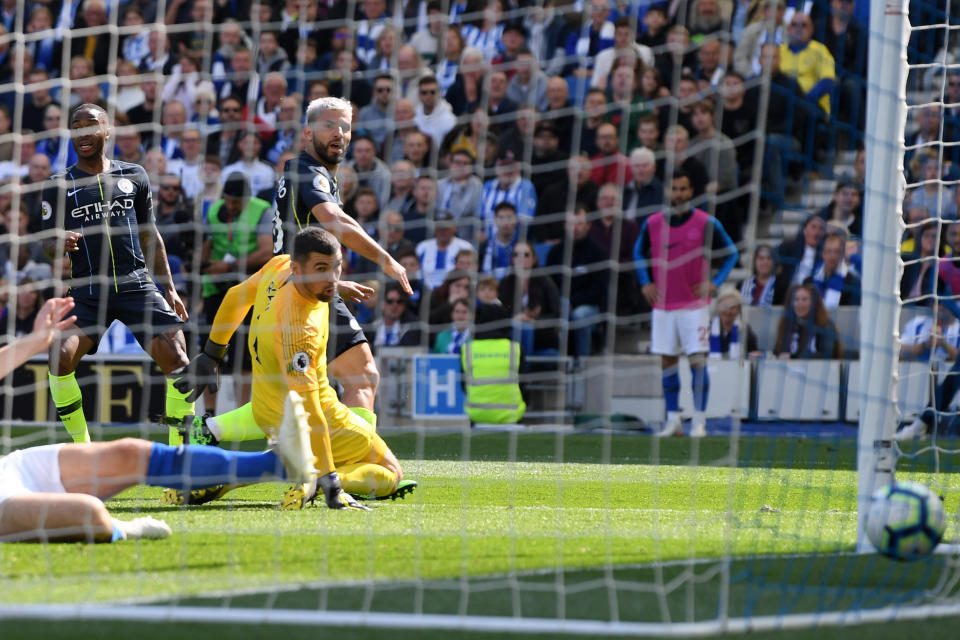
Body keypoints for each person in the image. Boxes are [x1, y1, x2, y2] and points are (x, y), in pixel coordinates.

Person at [0, 297, 317, 542]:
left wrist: (37, 339)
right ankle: (124, 530)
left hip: (10, 467)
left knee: (130, 452)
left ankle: (281, 464)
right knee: (90, 513)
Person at [173, 227, 413, 509]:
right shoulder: (300, 329)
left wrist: (212, 354)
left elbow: (236, 296)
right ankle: (317, 482)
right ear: (298, 269)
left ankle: (226, 474)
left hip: (265, 411)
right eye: (321, 269)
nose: (331, 279)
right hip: (316, 419)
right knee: (391, 472)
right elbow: (310, 411)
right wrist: (331, 482)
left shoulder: (280, 265)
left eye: (336, 268)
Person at [40, 104, 192, 446]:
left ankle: (180, 452)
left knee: (179, 360)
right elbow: (47, 244)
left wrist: (170, 289)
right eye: (75, 125)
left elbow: (151, 235)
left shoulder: (134, 175)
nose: (82, 132)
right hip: (88, 290)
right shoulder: (58, 184)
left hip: (136, 284)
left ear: (107, 131)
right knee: (59, 356)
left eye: (90, 125)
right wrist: (58, 242)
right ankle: (83, 448)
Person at [270, 96, 412, 434]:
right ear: (307, 133)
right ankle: (360, 462)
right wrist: (388, 260)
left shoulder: (318, 174)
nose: (339, 133)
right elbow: (334, 221)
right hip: (302, 290)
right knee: (362, 377)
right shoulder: (306, 169)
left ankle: (211, 430)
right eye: (329, 125)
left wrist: (335, 283)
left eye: (345, 126)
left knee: (304, 395)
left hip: (292, 287)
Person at [635, 170, 739, 438]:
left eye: (683, 189)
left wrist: (715, 282)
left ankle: (699, 422)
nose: (678, 194)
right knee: (667, 362)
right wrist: (645, 281)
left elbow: (731, 253)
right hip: (663, 306)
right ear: (667, 192)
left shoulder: (706, 223)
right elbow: (637, 252)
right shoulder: (654, 223)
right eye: (674, 189)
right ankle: (674, 421)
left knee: (697, 362)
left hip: (694, 306)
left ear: (691, 192)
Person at [460, 300, 526, 425]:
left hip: (477, 415)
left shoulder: (467, 349)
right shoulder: (515, 348)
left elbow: (463, 385)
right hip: (512, 415)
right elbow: (522, 384)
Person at [498, 240, 561, 356]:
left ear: (534, 259)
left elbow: (556, 313)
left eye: (526, 255)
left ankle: (522, 367)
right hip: (512, 333)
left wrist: (534, 321)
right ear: (512, 259)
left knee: (526, 330)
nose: (521, 259)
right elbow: (499, 313)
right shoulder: (505, 283)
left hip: (541, 334)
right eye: (516, 255)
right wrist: (515, 318)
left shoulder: (545, 282)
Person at [773, 282, 841, 359]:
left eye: (804, 299)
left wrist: (793, 357)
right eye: (796, 299)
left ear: (814, 303)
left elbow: (827, 355)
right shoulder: (786, 325)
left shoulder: (825, 325)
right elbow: (778, 352)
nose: (799, 303)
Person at [806, 226, 861, 309]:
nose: (832, 256)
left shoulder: (853, 282)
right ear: (822, 254)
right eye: (828, 251)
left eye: (836, 251)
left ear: (843, 254)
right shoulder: (809, 282)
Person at [709, 286, 760, 360]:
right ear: (718, 307)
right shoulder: (707, 329)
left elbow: (753, 355)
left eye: (732, 307)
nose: (728, 311)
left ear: (739, 309)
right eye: (724, 306)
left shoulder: (744, 330)